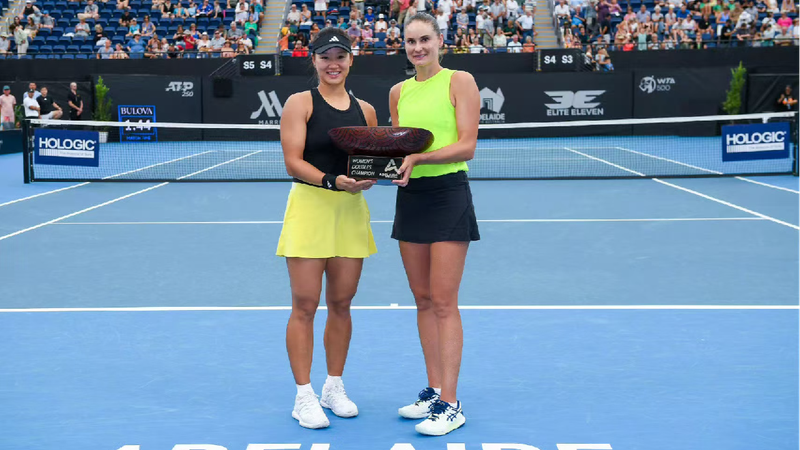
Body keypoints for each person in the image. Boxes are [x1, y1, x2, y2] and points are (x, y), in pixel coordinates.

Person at [277, 26, 379, 430]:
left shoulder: (367, 110)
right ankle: (303, 396)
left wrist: (372, 177)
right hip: (311, 207)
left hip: (350, 211)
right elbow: (293, 161)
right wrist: (331, 181)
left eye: (340, 56)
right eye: (325, 57)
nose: (333, 64)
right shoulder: (300, 103)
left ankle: (332, 386)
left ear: (351, 60)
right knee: (304, 304)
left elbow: (368, 161)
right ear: (314, 61)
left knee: (341, 304)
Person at [388, 11, 480, 437]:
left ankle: (452, 403)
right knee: (422, 299)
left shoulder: (459, 81)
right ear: (403, 46)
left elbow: (467, 144)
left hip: (447, 195)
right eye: (410, 41)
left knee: (444, 301)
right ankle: (434, 388)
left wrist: (420, 159)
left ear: (440, 40)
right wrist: (375, 170)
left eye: (425, 39)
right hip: (412, 199)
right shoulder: (398, 92)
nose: (418, 47)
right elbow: (396, 150)